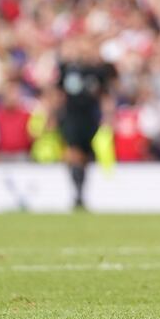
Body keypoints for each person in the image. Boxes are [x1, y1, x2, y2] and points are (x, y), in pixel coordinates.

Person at [57, 36, 116, 210]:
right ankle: (77, 194)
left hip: (90, 118)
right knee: (73, 154)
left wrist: (108, 116)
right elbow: (58, 93)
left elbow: (105, 95)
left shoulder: (97, 72)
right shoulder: (68, 69)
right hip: (72, 117)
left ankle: (81, 193)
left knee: (85, 157)